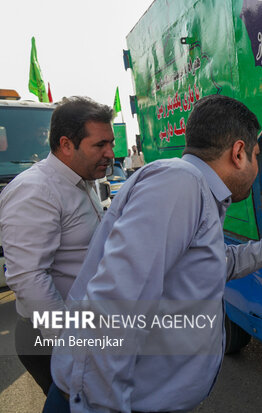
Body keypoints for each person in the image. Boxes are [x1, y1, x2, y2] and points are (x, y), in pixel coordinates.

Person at [46, 94, 262, 413]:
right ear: (238, 152)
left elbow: (220, 263)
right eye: (256, 155)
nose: (258, 167)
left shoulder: (195, 190)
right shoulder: (179, 186)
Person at [0, 96, 115, 395]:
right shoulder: (35, 191)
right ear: (66, 145)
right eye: (100, 145)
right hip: (52, 338)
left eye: (111, 143)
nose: (110, 153)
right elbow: (29, 277)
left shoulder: (82, 180)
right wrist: (71, 345)